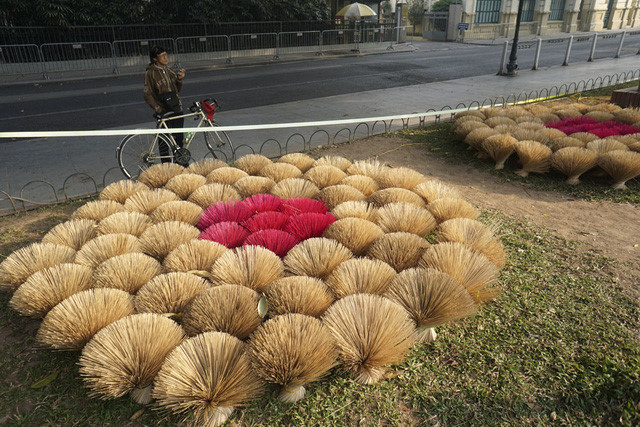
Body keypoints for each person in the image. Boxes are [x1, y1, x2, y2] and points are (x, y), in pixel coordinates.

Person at [143, 46, 187, 164]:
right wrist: (158, 109)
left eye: (166, 55)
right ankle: (166, 166)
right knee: (164, 140)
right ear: (155, 59)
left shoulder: (169, 70)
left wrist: (179, 79)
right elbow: (147, 94)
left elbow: (177, 90)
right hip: (164, 111)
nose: (165, 58)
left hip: (176, 108)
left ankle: (180, 163)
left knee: (178, 138)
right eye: (162, 56)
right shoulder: (151, 73)